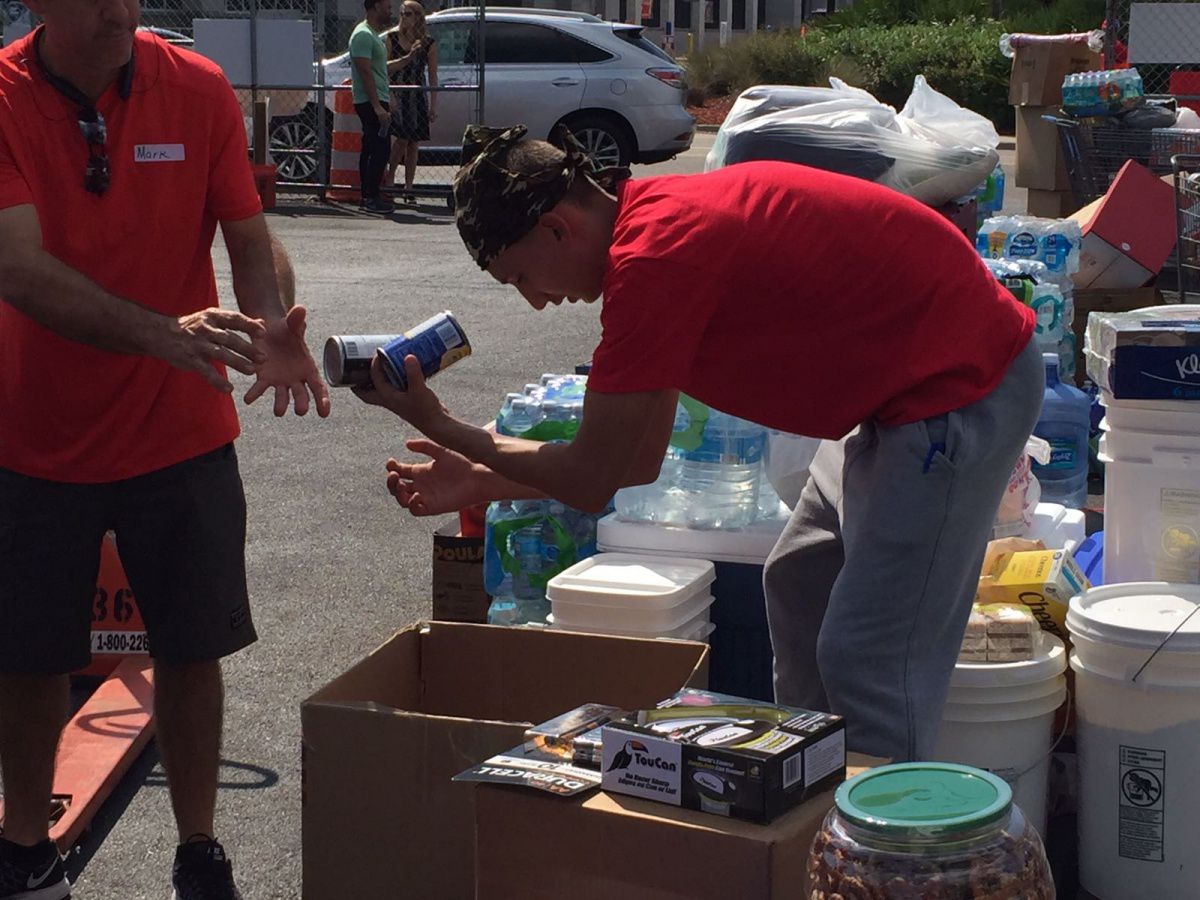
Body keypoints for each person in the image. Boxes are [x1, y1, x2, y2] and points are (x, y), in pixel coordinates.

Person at [356, 124, 1044, 764]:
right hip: (902, 392)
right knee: (799, 580)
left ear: (555, 228)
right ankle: (808, 802)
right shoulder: (651, 228)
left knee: (868, 660)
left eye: (522, 278)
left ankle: (882, 864)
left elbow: (594, 478)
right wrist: (484, 478)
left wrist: (444, 425)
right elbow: (633, 461)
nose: (537, 301)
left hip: (959, 387)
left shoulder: (654, 257)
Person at [0, 1, 331, 897]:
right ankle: (26, 851)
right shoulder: (2, 95)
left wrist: (272, 326)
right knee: (30, 659)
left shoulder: (196, 87)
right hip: (36, 439)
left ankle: (199, 850)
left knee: (193, 647)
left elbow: (247, 234)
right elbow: (18, 267)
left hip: (180, 434)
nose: (121, 9)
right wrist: (163, 334)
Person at [383, 0, 437, 205]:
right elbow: (384, 68)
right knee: (402, 138)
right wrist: (390, 94)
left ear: (418, 17)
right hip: (398, 92)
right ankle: (390, 177)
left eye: (409, 14)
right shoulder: (392, 37)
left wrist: (433, 104)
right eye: (402, 13)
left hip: (417, 94)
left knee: (414, 141)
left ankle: (409, 186)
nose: (404, 18)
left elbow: (432, 75)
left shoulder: (427, 42)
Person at [349, 0, 395, 213]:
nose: (390, 10)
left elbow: (379, 69)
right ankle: (370, 197)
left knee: (372, 146)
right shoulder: (362, 35)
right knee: (379, 148)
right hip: (369, 101)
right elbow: (365, 73)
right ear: (375, 6)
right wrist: (377, 106)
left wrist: (408, 58)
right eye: (387, 6)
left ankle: (370, 194)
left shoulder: (372, 35)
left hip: (377, 98)